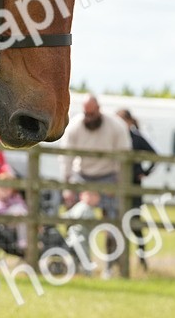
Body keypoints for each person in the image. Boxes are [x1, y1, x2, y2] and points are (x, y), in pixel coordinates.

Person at [59, 94, 132, 273]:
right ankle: (78, 262)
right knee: (73, 218)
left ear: (99, 110)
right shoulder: (74, 126)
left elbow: (124, 157)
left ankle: (110, 266)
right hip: (82, 175)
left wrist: (117, 185)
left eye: (92, 114)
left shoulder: (116, 126)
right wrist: (68, 188)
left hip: (108, 175)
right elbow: (66, 158)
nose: (89, 118)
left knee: (112, 222)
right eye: (86, 114)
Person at [117, 108, 157, 270]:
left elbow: (154, 155)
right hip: (118, 184)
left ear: (129, 121)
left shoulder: (136, 138)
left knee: (135, 223)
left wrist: (145, 172)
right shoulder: (116, 137)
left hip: (134, 185)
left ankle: (142, 258)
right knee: (117, 222)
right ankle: (117, 260)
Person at [0, 172, 29, 255]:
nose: (5, 190)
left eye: (8, 188)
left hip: (18, 222)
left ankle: (31, 239)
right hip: (4, 224)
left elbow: (24, 208)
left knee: (22, 213)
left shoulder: (15, 197)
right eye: (3, 188)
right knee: (18, 209)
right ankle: (23, 242)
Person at [61, 189, 100, 276]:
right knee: (84, 256)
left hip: (76, 237)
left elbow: (66, 216)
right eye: (90, 195)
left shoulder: (81, 206)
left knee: (79, 256)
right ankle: (87, 274)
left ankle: (77, 273)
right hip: (79, 238)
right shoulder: (84, 207)